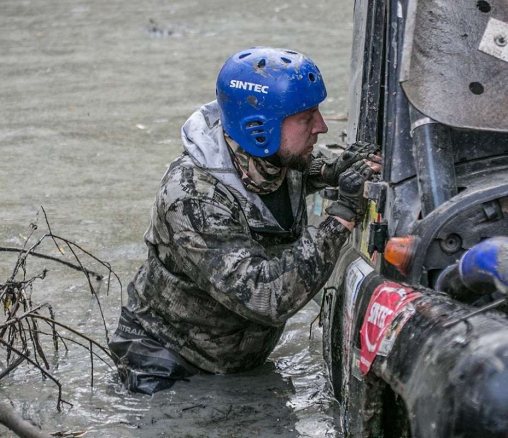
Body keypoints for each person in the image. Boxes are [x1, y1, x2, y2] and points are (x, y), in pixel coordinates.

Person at [109, 47, 381, 394]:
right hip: (166, 370)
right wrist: (341, 215)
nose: (322, 126)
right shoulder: (192, 196)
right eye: (306, 116)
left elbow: (301, 169)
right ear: (260, 126)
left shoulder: (273, 157)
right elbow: (264, 297)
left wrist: (333, 170)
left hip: (236, 362)